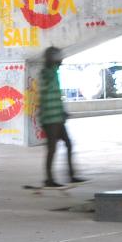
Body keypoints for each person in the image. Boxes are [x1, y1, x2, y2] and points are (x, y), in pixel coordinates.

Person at [37, 47, 84, 189]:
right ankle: (49, 179)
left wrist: (63, 112)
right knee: (52, 148)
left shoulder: (53, 72)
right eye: (59, 57)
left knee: (68, 144)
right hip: (50, 118)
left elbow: (56, 96)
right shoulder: (46, 73)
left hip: (56, 117)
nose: (61, 59)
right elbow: (47, 90)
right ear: (52, 58)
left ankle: (70, 175)